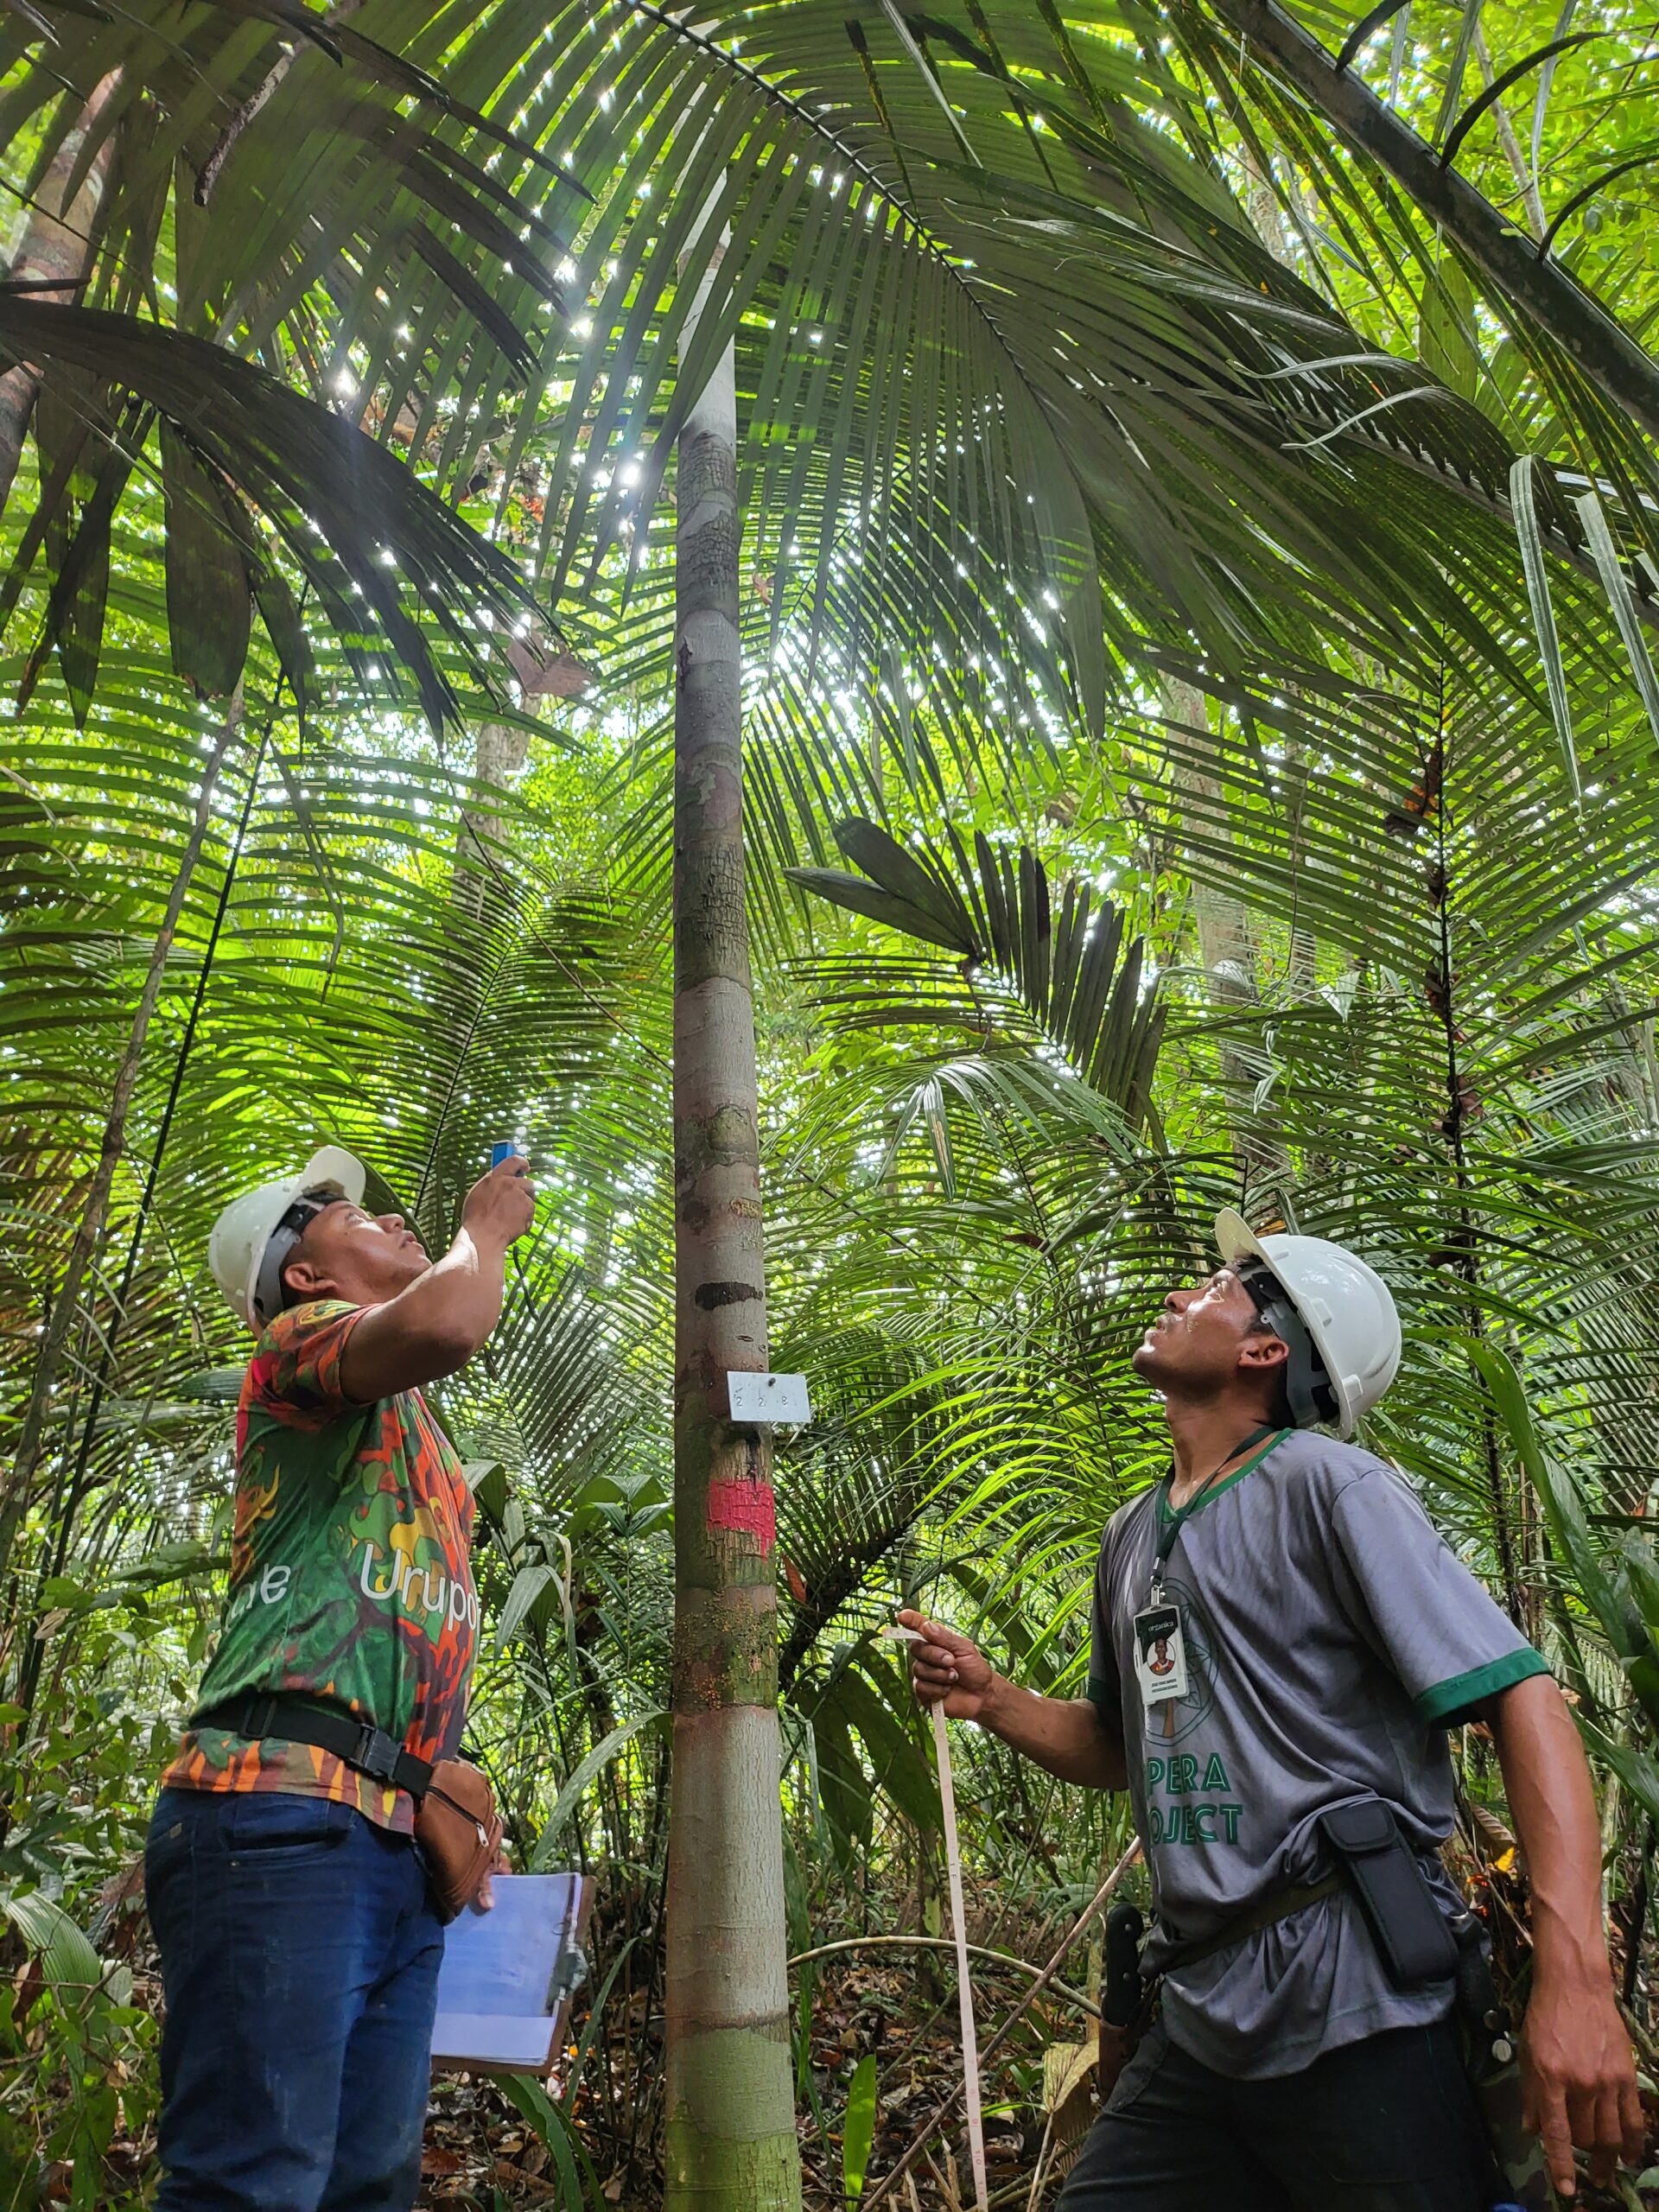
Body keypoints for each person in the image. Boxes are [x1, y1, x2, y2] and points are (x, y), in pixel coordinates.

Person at [902, 1210, 1643, 2211]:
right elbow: (1123, 1747)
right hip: (1200, 2014)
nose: (1178, 1294)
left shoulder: (1332, 1487)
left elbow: (1524, 1693)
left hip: (1356, 2006)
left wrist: (1578, 1976)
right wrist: (993, 1699)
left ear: (1265, 1349)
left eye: (1215, 1287)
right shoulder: (1130, 1536)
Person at [145, 1143, 534, 2212]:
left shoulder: (412, 1430)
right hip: (275, 1815)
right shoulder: (295, 1347)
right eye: (338, 1214)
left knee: (367, 2184)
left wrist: (441, 1771)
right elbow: (452, 1320)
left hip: (387, 1836)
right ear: (303, 1276)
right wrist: (484, 1231)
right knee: (252, 2183)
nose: (384, 1218)